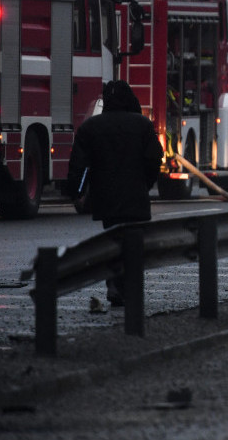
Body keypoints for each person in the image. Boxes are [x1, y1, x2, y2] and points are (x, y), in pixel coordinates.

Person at [67, 80, 163, 306]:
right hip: (136, 199)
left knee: (113, 244)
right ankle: (129, 290)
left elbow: (79, 165)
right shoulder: (142, 125)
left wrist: (77, 192)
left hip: (106, 199)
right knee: (134, 247)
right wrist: (145, 184)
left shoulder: (91, 128)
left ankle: (114, 285)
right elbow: (153, 159)